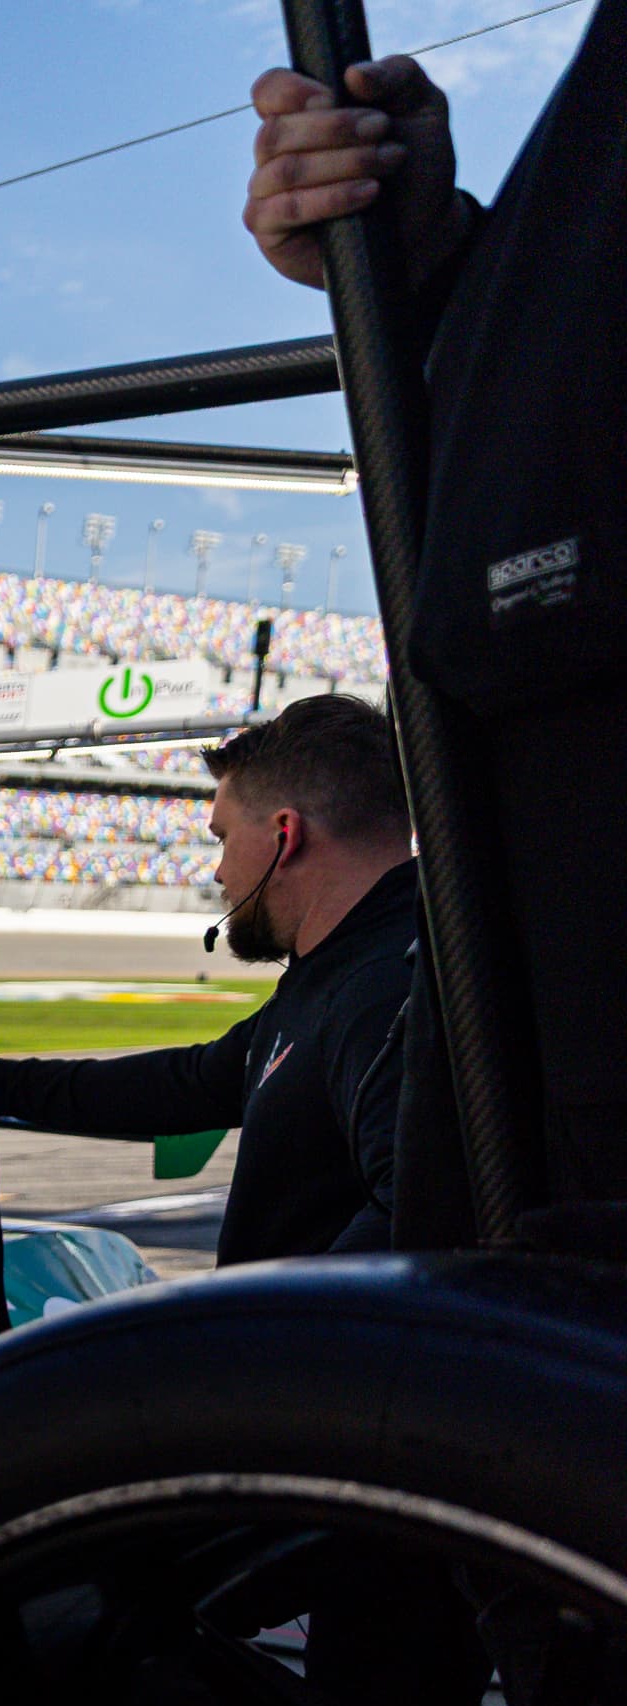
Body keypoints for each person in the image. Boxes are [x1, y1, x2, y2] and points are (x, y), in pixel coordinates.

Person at [242, 29, 627, 1228]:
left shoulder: (356, 992)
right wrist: (429, 264)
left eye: (222, 833)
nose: (216, 864)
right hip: (538, 1155)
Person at [0, 695, 414, 1264]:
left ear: (285, 835)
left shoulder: (384, 989)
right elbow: (191, 1084)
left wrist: (267, 1330)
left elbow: (414, 1221)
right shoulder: (342, 970)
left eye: (222, 838)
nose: (219, 871)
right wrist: (1, 1082)